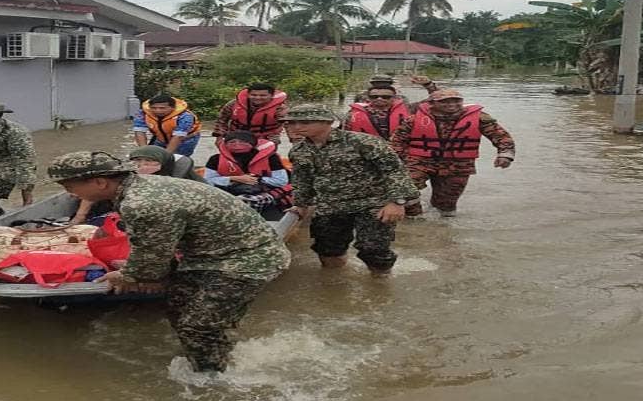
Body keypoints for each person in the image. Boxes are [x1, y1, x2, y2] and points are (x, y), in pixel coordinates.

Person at [48, 151, 290, 373]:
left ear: (101, 182)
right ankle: (213, 353)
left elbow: (154, 254)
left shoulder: (142, 202)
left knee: (197, 326)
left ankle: (212, 381)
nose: (70, 193)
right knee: (179, 308)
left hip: (247, 259)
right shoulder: (138, 187)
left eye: (71, 186)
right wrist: (138, 271)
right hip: (208, 254)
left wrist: (132, 275)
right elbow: (150, 246)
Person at [285, 104, 419, 276]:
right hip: (330, 206)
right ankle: (336, 285)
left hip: (372, 204)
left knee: (373, 251)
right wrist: (301, 205)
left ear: (327, 122)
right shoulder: (299, 151)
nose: (297, 127)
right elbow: (302, 181)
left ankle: (381, 284)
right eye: (292, 122)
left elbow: (394, 170)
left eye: (305, 122)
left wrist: (397, 202)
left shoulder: (363, 142)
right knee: (327, 250)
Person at [390, 89, 515, 218]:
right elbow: (397, 140)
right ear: (432, 103)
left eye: (456, 101)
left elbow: (501, 136)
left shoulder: (479, 118)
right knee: (407, 189)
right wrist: (401, 160)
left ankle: (444, 230)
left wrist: (505, 154)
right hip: (419, 162)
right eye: (445, 101)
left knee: (446, 205)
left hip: (459, 165)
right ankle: (414, 219)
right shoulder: (414, 119)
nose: (451, 104)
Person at [69, 145, 205, 224]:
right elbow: (97, 191)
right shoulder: (124, 174)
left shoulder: (184, 181)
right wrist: (80, 216)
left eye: (149, 161)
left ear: (164, 163)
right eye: (138, 160)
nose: (142, 165)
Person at [203, 131, 293, 219]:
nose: (237, 144)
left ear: (252, 143)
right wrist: (234, 178)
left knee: (245, 201)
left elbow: (282, 181)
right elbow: (207, 180)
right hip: (229, 190)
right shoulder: (215, 159)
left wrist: (256, 179)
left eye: (242, 141)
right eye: (232, 142)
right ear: (225, 144)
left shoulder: (271, 158)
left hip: (264, 191)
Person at [213, 82, 288, 144]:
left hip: (267, 137)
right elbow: (221, 120)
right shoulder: (234, 104)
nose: (258, 98)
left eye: (263, 95)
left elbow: (288, 124)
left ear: (271, 96)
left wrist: (293, 139)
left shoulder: (280, 108)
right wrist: (219, 138)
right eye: (254, 95)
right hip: (236, 136)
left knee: (265, 158)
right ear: (248, 95)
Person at [132, 93, 202, 156]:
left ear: (173, 108)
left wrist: (166, 155)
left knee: (177, 158)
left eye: (162, 108)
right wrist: (144, 151)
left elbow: (178, 137)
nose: (158, 111)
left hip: (185, 139)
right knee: (153, 156)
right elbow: (139, 131)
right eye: (154, 108)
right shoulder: (142, 113)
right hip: (160, 138)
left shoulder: (185, 116)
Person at [352, 74, 439, 103]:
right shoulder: (361, 97)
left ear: (390, 86)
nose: (381, 86)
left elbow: (436, 100)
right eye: (378, 84)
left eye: (384, 85)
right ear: (372, 84)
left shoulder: (400, 99)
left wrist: (428, 85)